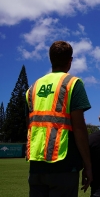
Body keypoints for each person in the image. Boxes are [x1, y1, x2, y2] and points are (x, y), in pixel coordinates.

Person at [26, 40, 92, 197]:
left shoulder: (33, 87)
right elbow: (79, 128)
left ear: (50, 59)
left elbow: (29, 125)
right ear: (70, 60)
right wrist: (88, 164)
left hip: (36, 165)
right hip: (64, 164)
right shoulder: (72, 83)